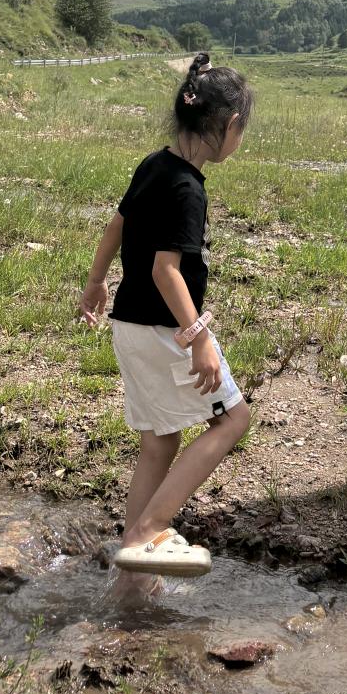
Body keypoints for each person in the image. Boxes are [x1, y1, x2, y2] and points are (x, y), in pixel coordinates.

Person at [79, 52, 253, 595]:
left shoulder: (154, 164)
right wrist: (199, 337)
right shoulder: (188, 189)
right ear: (228, 127)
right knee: (232, 420)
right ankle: (152, 527)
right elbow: (165, 270)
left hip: (130, 326)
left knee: (160, 438)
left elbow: (117, 223)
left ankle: (132, 575)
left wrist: (95, 281)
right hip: (166, 329)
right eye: (241, 130)